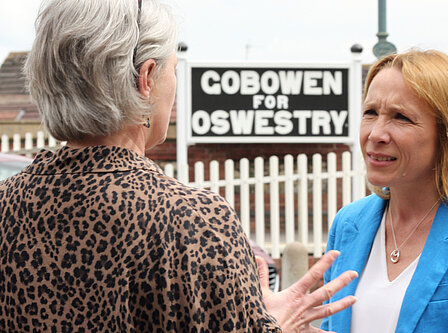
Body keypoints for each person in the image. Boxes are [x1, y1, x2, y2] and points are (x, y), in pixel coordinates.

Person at [0, 0, 358, 332]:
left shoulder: (6, 205)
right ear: (146, 79)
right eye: (172, 70)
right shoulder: (194, 221)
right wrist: (270, 324)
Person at [321, 49, 448, 333]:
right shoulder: (348, 223)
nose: (376, 134)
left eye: (401, 117)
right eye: (370, 112)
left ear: (447, 132)